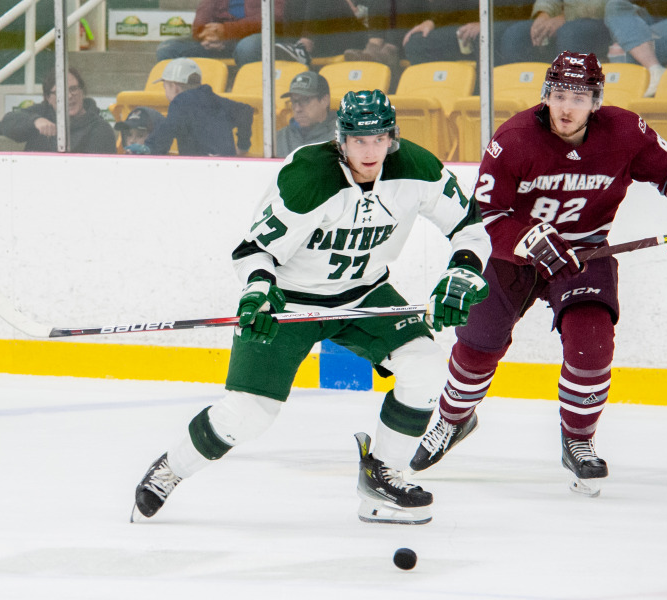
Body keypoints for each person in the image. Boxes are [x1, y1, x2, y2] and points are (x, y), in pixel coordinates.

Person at [131, 89, 492, 526]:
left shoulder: (418, 168)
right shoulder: (308, 176)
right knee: (247, 415)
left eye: (379, 139)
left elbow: (470, 227)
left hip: (364, 293)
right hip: (290, 300)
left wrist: (463, 272)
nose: (370, 149)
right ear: (340, 139)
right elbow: (254, 250)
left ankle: (383, 477)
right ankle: (171, 468)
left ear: (392, 137)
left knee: (425, 366)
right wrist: (258, 291)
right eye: (359, 140)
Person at [410, 51, 667, 498]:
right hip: (512, 257)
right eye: (558, 94)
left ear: (596, 101)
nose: (566, 107)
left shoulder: (624, 130)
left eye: (578, 97)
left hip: (584, 254)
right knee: (478, 345)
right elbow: (484, 216)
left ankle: (578, 437)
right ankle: (452, 418)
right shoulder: (514, 139)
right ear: (545, 96)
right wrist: (530, 239)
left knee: (592, 343)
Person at [125, 58, 252, 157]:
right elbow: (246, 111)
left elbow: (167, 131)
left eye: (165, 87)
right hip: (229, 165)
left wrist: (147, 148)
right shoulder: (215, 99)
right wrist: (243, 146)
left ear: (175, 87)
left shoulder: (180, 101)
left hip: (200, 167)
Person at [0, 67, 116, 154]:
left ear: (82, 92)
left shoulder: (101, 129)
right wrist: (35, 121)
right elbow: (7, 123)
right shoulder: (41, 112)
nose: (69, 96)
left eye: (74, 89)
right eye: (61, 92)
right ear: (48, 98)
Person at [603, 0, 667, 96]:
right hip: (651, 15)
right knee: (615, 5)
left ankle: (651, 72)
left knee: (623, 50)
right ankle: (656, 69)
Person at [155, 0, 284, 66]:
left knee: (247, 47)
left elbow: (275, 16)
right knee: (168, 49)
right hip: (222, 38)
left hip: (256, 36)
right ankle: (188, 104)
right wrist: (206, 34)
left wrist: (227, 31)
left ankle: (251, 95)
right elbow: (201, 17)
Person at [275, 71, 336, 157]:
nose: (297, 109)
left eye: (305, 100)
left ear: (324, 100)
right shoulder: (279, 138)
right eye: (294, 101)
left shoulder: (342, 139)